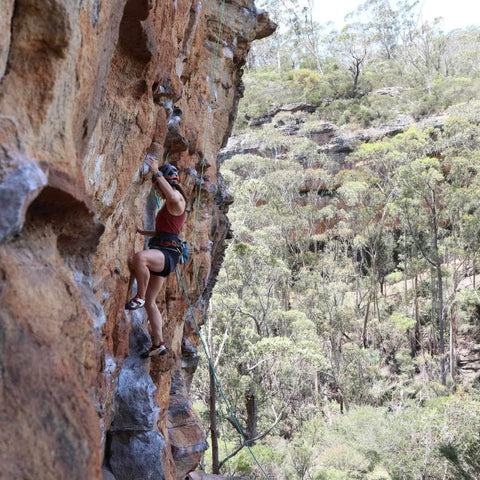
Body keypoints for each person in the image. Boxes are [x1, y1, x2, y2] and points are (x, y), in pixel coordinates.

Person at [125, 159, 187, 358]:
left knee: (140, 258)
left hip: (167, 255)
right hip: (163, 250)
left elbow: (171, 194)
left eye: (159, 187)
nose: (159, 192)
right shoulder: (169, 204)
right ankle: (158, 344)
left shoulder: (176, 198)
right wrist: (144, 232)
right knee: (152, 302)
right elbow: (165, 231)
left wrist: (156, 173)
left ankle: (139, 296)